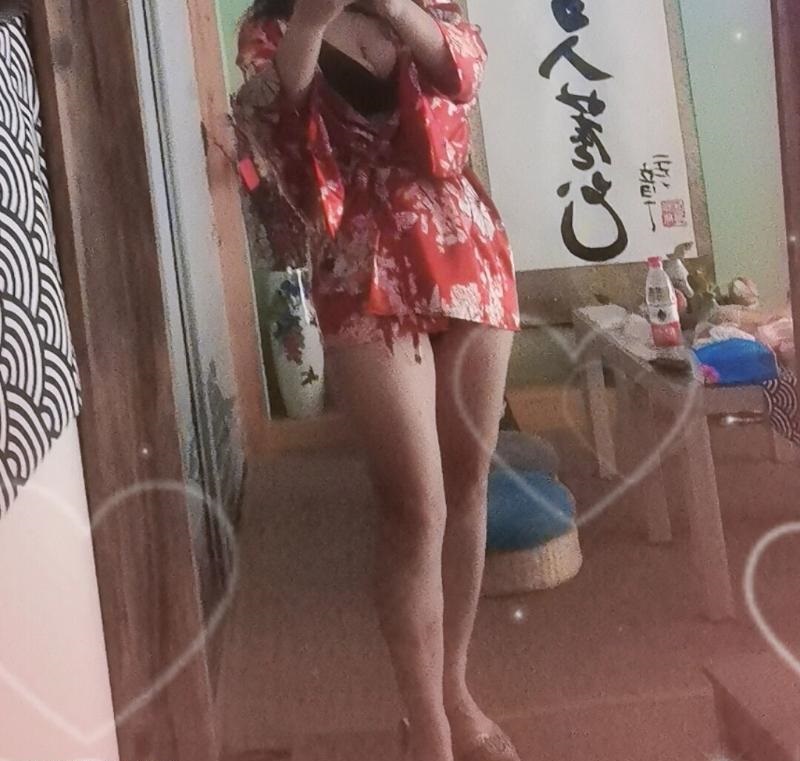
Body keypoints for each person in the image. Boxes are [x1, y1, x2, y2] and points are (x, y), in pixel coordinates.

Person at [235, 1, 522, 759]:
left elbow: (463, 72)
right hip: (361, 262)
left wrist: (395, 6)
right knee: (414, 505)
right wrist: (309, 25)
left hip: (465, 246)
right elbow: (280, 132)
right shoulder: (271, 27)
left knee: (467, 485)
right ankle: (426, 720)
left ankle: (455, 691)